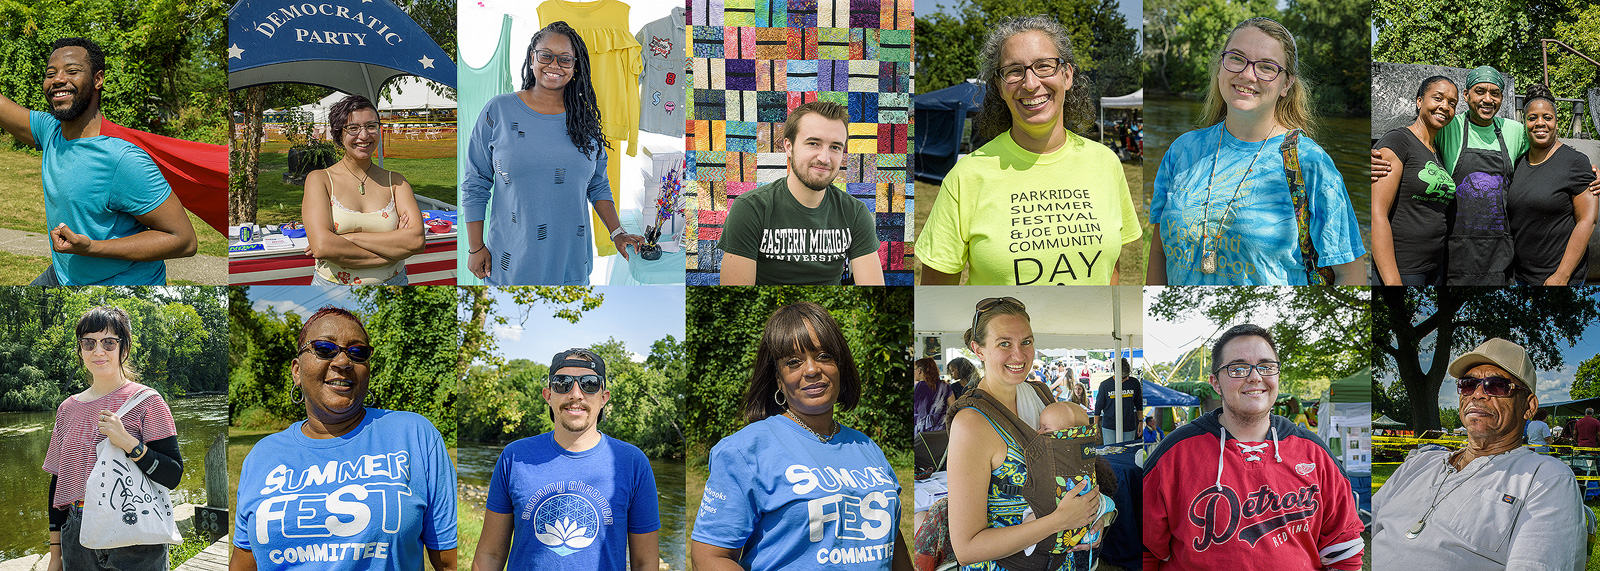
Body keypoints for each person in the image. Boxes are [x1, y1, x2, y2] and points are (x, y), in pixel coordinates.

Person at [916, 15, 1141, 286]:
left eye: (1044, 66)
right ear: (999, 86)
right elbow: (937, 295)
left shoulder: (1106, 162)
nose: (1031, 83)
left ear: (1067, 75)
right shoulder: (966, 176)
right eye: (1013, 71)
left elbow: (1111, 273)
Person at [232, 307, 456, 570]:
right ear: (296, 370)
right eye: (325, 349)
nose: (342, 362)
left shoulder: (415, 435)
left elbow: (448, 562)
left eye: (357, 352)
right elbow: (243, 563)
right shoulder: (261, 455)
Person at [691, 302, 910, 570]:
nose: (811, 370)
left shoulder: (867, 446)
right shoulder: (744, 451)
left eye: (824, 356)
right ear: (778, 379)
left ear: (840, 364)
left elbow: (891, 538)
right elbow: (711, 557)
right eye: (793, 362)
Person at [1147, 18, 1365, 286]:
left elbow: (1349, 273)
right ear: (1220, 69)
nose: (1248, 75)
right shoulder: (1182, 150)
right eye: (1237, 59)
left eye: (1266, 67)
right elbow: (1159, 253)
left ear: (1286, 84)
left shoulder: (1309, 162)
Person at [1142, 324, 1363, 570]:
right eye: (1238, 368)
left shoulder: (1315, 454)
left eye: (1266, 367)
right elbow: (1148, 552)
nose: (1255, 377)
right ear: (1215, 383)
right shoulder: (1173, 455)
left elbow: (1344, 549)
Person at [1370, 338, 1584, 570]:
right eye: (1468, 384)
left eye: (1498, 385)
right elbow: (1354, 527)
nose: (1478, 394)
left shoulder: (1546, 478)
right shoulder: (1420, 462)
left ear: (1529, 406)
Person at [1372, 67, 1600, 285]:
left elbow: (1546, 145)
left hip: (1499, 257)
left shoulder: (1515, 131)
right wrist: (1374, 158)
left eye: (1495, 93)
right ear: (1466, 95)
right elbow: (1411, 141)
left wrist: (1587, 169)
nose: (1487, 99)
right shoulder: (1448, 127)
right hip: (1453, 255)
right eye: (1480, 91)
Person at [0, 37, 196, 285]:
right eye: (51, 73)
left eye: (72, 71)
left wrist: (91, 247)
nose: (58, 79)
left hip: (120, 284)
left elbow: (184, 240)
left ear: (97, 79)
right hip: (64, 276)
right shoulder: (51, 132)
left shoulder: (122, 159)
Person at [463, 22, 645, 285]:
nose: (554, 65)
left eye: (565, 59)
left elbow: (598, 185)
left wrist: (617, 232)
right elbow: (476, 182)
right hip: (512, 265)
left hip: (571, 266)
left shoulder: (586, 122)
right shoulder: (499, 110)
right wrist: (475, 247)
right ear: (532, 57)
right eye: (546, 55)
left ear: (575, 67)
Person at [946, 296, 1106, 571]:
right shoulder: (972, 423)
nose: (1019, 355)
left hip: (1060, 563)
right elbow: (967, 548)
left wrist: (1098, 514)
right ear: (978, 349)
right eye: (1004, 344)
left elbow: (1077, 467)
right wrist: (1060, 522)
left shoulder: (1042, 395)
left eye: (1027, 342)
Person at [471, 348, 659, 571]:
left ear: (604, 398)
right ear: (548, 395)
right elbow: (489, 555)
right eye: (563, 383)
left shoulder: (632, 463)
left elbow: (644, 562)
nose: (576, 394)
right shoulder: (514, 457)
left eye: (589, 383)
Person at [44, 306, 182, 571]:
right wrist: (55, 554)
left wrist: (130, 443)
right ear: (80, 349)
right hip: (78, 535)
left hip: (135, 534)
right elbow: (58, 483)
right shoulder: (67, 408)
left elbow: (173, 475)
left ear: (124, 348)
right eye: (89, 343)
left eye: (108, 342)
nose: (98, 351)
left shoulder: (147, 402)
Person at [718, 101, 883, 285]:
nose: (824, 158)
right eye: (813, 143)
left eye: (835, 147)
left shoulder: (855, 213)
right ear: (788, 146)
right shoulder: (751, 208)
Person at [302, 95, 425, 285]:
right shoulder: (320, 180)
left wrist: (348, 238)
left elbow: (416, 241)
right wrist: (394, 251)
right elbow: (322, 247)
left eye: (371, 126)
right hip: (331, 287)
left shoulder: (397, 183)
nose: (364, 135)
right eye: (353, 128)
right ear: (339, 134)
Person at [1371, 76, 1458, 286]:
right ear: (1419, 101)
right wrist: (1393, 281)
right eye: (1437, 98)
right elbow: (1377, 214)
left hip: (1434, 267)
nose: (1444, 106)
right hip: (1403, 269)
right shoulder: (1398, 141)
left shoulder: (1436, 151)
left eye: (1452, 103)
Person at [1508, 84, 1597, 286]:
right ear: (1525, 122)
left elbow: (1587, 220)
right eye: (1532, 118)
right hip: (1522, 277)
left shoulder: (1575, 162)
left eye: (1547, 117)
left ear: (1556, 123)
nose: (1540, 123)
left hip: (1559, 279)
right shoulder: (1517, 163)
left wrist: (1562, 275)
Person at [1094, 358, 1143, 444]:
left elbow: (1139, 404)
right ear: (1115, 373)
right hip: (1110, 426)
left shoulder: (1134, 383)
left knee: (1128, 453)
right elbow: (1098, 406)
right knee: (1111, 453)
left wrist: (1141, 421)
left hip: (1129, 426)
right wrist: (1095, 425)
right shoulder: (1105, 385)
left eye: (1128, 375)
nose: (1127, 378)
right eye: (1123, 377)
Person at [915, 357, 953, 433]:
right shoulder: (945, 386)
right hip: (941, 429)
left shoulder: (916, 388)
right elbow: (953, 407)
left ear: (919, 370)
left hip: (920, 431)